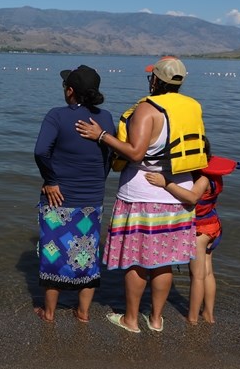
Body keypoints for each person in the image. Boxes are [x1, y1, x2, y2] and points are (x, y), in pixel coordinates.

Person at [75, 56, 207, 333]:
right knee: (163, 262)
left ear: (156, 80)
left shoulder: (147, 110)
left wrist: (101, 136)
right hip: (177, 195)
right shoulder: (193, 107)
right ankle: (156, 319)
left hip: (142, 194)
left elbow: (135, 152)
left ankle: (131, 319)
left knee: (137, 261)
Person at [33, 65, 116, 323]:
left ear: (70, 91)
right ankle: (83, 312)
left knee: (53, 253)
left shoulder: (56, 116)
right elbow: (109, 157)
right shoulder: (105, 118)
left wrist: (51, 180)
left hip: (59, 198)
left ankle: (49, 313)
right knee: (87, 256)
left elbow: (40, 151)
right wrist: (97, 181)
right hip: (92, 199)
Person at [145, 138, 240, 325]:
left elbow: (192, 198)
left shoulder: (203, 177)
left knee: (196, 275)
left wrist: (166, 183)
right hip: (213, 226)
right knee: (207, 273)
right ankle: (209, 314)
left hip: (201, 231)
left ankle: (193, 317)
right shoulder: (213, 175)